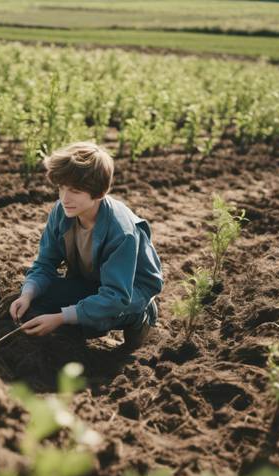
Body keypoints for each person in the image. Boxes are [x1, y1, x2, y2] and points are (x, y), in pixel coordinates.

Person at [8, 141, 163, 350]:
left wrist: (61, 318)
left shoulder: (122, 232)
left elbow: (115, 296)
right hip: (92, 281)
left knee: (91, 320)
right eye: (61, 188)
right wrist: (27, 295)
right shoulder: (62, 211)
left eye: (75, 191)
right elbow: (45, 263)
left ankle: (142, 316)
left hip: (128, 293)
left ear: (98, 192)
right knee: (36, 297)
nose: (65, 198)